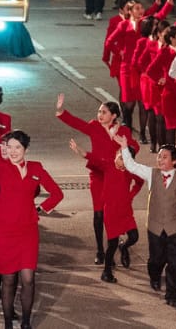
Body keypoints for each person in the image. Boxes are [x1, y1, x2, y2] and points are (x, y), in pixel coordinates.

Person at [0, 131, 62, 329]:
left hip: (28, 232)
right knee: (9, 279)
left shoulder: (36, 168)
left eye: (17, 148)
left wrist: (41, 208)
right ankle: (7, 324)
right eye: (9, 147)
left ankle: (27, 322)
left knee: (28, 279)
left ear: (26, 149)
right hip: (4, 232)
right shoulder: (0, 167)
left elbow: (57, 194)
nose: (12, 151)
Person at [55, 95, 139, 276]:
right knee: (98, 213)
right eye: (99, 112)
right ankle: (101, 250)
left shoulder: (123, 130)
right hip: (98, 173)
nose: (100, 115)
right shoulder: (94, 126)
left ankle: (116, 246)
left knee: (113, 213)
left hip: (116, 173)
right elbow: (78, 124)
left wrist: (124, 148)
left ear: (114, 115)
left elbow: (134, 147)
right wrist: (62, 112)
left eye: (104, 112)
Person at [117, 144, 176, 308]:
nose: (160, 159)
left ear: (174, 161)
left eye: (164, 156)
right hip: (155, 226)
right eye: (159, 156)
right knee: (156, 259)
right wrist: (124, 147)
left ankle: (172, 293)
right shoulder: (152, 174)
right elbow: (132, 166)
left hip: (175, 228)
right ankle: (154, 276)